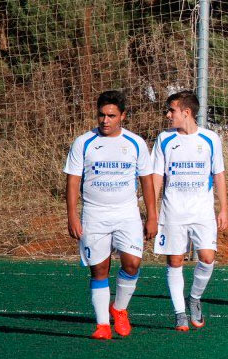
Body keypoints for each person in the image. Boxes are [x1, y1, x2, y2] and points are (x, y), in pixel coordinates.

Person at [64, 90, 157, 340]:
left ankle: (119, 309)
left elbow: (147, 182)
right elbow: (73, 181)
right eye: (101, 115)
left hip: (126, 213)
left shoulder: (136, 143)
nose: (105, 120)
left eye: (111, 116)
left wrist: (152, 216)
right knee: (100, 269)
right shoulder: (83, 142)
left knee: (132, 263)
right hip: (94, 214)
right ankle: (103, 325)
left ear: (122, 116)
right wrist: (72, 215)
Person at [151, 90, 228, 331]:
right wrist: (151, 211)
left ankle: (194, 298)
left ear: (186, 112)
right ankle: (180, 313)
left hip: (202, 212)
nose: (167, 115)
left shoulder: (210, 139)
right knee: (175, 261)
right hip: (172, 211)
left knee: (207, 257)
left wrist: (224, 208)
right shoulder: (164, 139)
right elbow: (155, 176)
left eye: (171, 110)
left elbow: (219, 174)